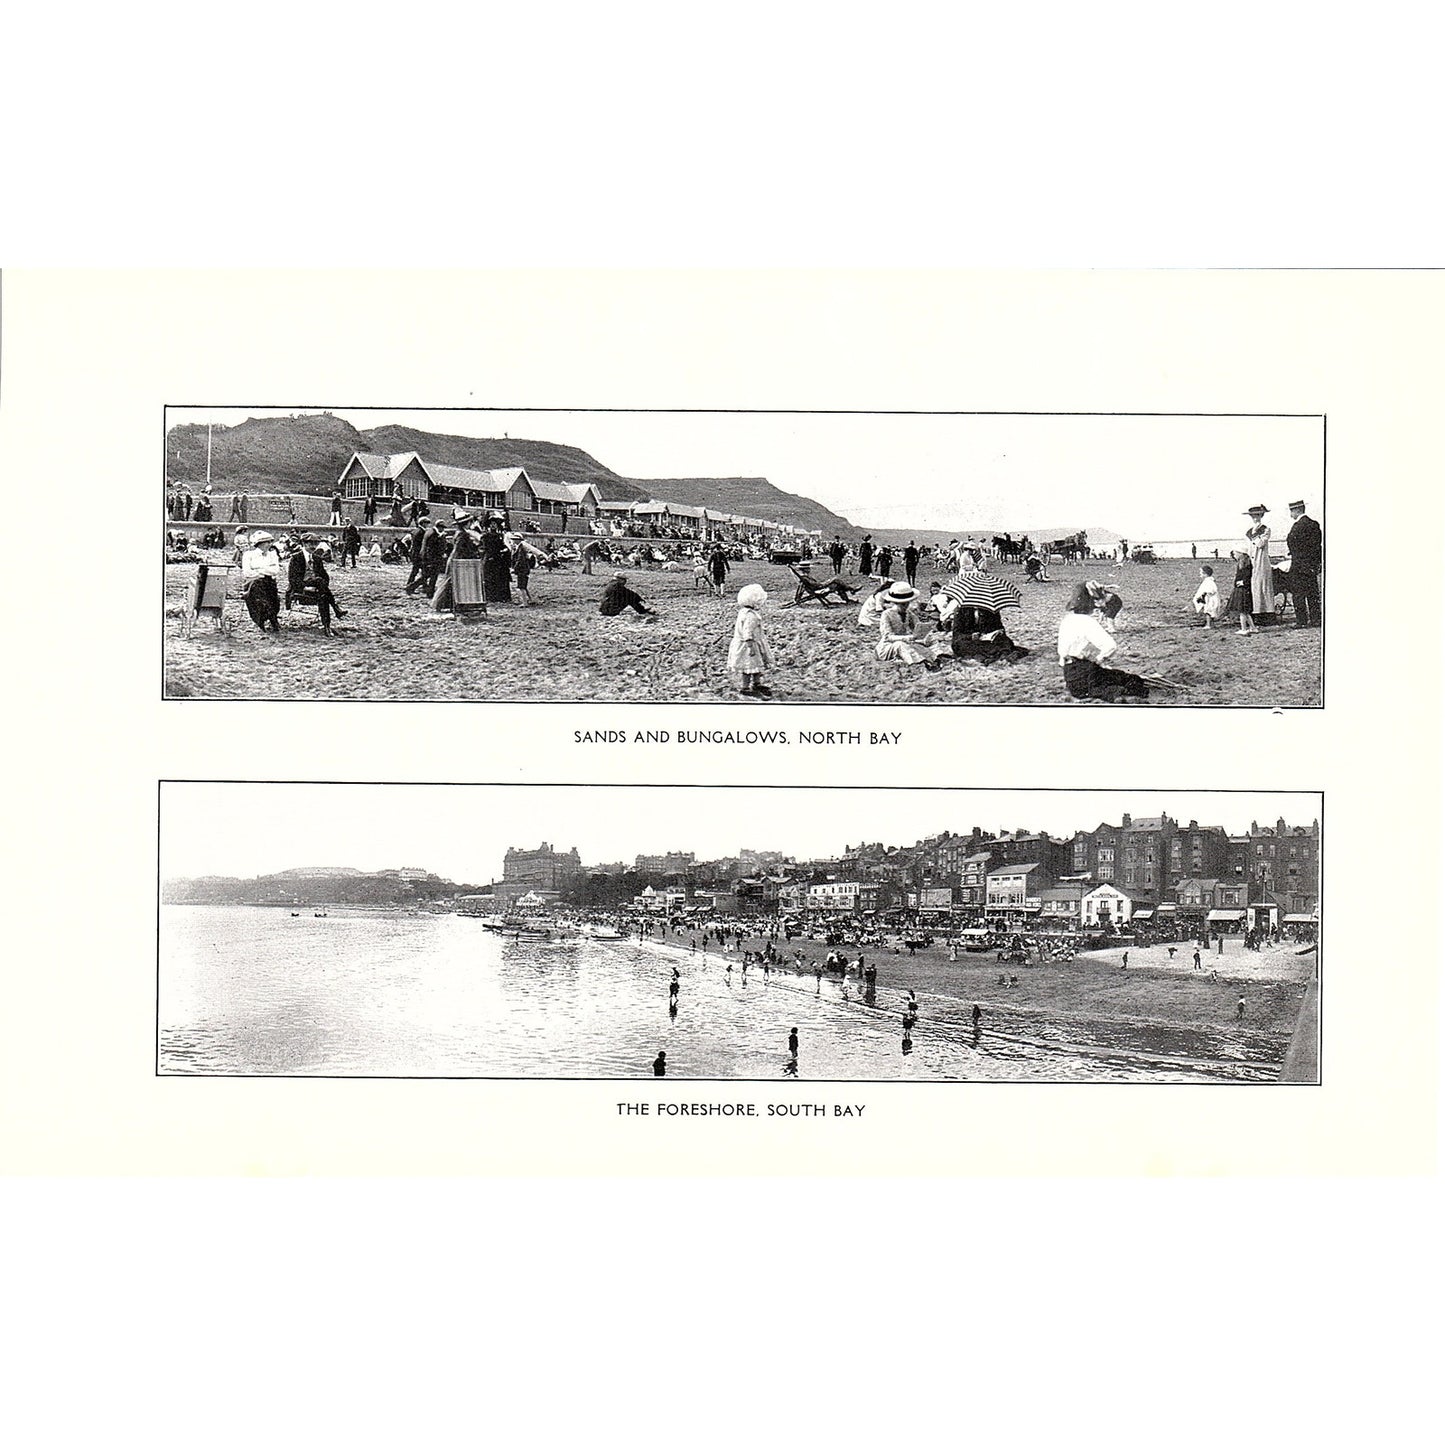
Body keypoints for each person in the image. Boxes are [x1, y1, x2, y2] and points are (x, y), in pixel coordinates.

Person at [1058, 584, 1154, 702]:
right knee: (1132, 682)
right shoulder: (1088, 622)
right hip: (1087, 675)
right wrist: (1098, 660)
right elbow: (1110, 646)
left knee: (1116, 678)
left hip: (1070, 677)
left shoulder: (1066, 620)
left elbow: (1062, 657)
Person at [876, 583, 944, 670]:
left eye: (907, 603)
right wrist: (906, 638)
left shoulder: (908, 613)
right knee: (900, 645)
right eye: (902, 604)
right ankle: (920, 663)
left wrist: (924, 632)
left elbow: (917, 626)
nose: (905, 606)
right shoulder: (887, 614)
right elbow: (887, 636)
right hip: (889, 646)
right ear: (895, 602)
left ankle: (935, 658)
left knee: (926, 641)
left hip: (907, 642)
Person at [729, 583, 776, 697]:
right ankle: (745, 687)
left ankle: (756, 683)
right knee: (748, 666)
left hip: (749, 643)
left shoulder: (743, 612)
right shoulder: (751, 616)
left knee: (755, 665)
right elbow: (747, 632)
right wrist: (750, 647)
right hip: (748, 645)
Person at [1285, 499, 1322, 629]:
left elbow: (1292, 543)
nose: (1290, 514)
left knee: (1298, 593)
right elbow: (1318, 547)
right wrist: (1317, 564)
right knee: (1312, 593)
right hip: (1311, 565)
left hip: (1299, 565)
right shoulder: (1314, 524)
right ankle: (1316, 619)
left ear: (1296, 510)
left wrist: (1293, 554)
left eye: (1291, 511)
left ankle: (1302, 621)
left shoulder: (1297, 526)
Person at [239, 530, 282, 631]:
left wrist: (259, 570)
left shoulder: (272, 555)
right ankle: (261, 621)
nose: (269, 545)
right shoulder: (249, 555)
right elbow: (247, 572)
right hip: (252, 582)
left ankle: (272, 617)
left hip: (269, 582)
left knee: (272, 598)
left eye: (270, 542)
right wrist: (264, 572)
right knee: (258, 592)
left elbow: (275, 571)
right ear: (259, 544)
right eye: (267, 542)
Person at [1243, 505, 1276, 623]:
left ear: (1261, 516)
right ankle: (1257, 613)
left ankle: (1268, 613)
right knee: (1255, 587)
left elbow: (1261, 544)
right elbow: (1248, 547)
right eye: (1253, 516)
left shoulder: (1266, 529)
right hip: (1253, 561)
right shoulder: (1248, 531)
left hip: (1262, 560)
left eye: (1257, 515)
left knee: (1264, 586)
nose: (1255, 518)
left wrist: (1255, 534)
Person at [481, 521, 512, 604]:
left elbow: (503, 545)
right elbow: (485, 547)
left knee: (500, 577)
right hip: (490, 558)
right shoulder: (486, 536)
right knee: (490, 578)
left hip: (499, 559)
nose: (493, 526)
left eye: (494, 524)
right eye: (491, 524)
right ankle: (491, 597)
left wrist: (505, 549)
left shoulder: (500, 536)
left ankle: (501, 596)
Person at [511, 536, 535, 606]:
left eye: (514, 539)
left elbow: (520, 560)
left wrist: (514, 568)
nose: (513, 541)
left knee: (521, 586)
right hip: (524, 569)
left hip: (522, 569)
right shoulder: (521, 547)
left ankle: (525, 603)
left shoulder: (521, 548)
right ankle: (530, 599)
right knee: (524, 585)